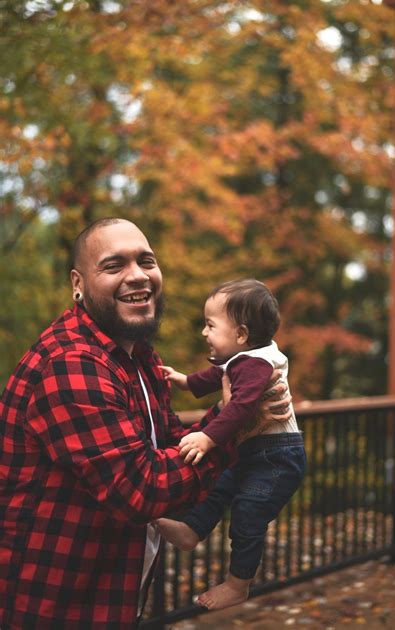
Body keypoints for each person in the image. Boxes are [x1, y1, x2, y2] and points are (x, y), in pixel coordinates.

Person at [0, 218, 290, 629]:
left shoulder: (137, 357)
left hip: (112, 592)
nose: (137, 276)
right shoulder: (71, 365)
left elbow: (170, 442)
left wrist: (225, 423)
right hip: (56, 604)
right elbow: (142, 490)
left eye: (146, 261)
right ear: (78, 284)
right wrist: (233, 425)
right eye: (114, 265)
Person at [157, 278, 306, 611]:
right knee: (220, 487)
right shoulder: (243, 360)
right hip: (254, 451)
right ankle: (192, 530)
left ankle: (239, 583)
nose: (204, 332)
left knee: (247, 513)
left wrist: (208, 437)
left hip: (277, 456)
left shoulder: (257, 365)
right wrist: (183, 381)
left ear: (240, 334)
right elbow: (217, 376)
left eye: (210, 325)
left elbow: (240, 407)